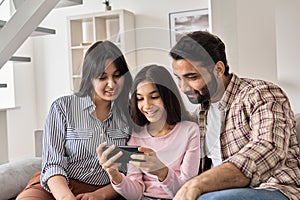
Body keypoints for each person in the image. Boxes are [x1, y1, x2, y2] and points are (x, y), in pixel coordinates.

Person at [169, 30, 300, 200]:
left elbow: (267, 149)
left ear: (218, 68)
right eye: (179, 78)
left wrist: (199, 183)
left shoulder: (261, 94)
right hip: (222, 192)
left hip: (276, 188)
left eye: (192, 77)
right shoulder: (202, 113)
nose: (184, 87)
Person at [17, 40, 133, 200]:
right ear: (90, 78)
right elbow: (52, 164)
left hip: (102, 191)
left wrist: (100, 195)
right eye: (102, 77)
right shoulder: (62, 107)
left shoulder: (131, 114)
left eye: (117, 76)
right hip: (57, 186)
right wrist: (66, 197)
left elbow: (129, 172)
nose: (111, 84)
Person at [97, 64, 201, 200]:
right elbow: (136, 194)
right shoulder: (136, 136)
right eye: (140, 98)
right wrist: (116, 176)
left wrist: (161, 172)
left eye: (154, 96)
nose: (146, 105)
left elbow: (187, 191)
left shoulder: (190, 131)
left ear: (167, 96)